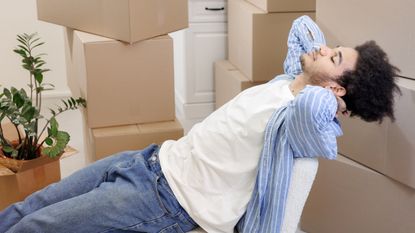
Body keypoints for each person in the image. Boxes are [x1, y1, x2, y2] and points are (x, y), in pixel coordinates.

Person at [0, 16, 400, 233]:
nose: (323, 47)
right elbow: (302, 28)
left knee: (36, 227)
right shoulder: (286, 82)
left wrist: (333, 100)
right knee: (30, 205)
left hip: (166, 201)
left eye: (333, 58)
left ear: (334, 90)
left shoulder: (300, 120)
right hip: (151, 160)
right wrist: (326, 70)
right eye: (334, 48)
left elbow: (319, 118)